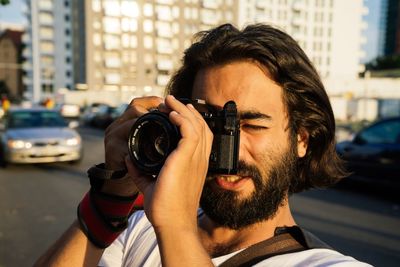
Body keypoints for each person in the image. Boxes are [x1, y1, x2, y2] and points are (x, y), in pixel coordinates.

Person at [34, 23, 372, 266]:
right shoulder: (140, 229)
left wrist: (177, 227)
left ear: (301, 139)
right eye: (208, 124)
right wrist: (110, 198)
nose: (227, 150)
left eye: (250, 124)